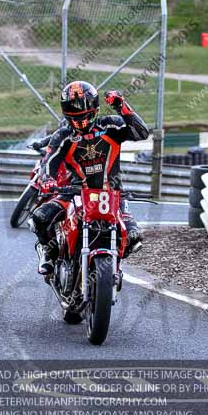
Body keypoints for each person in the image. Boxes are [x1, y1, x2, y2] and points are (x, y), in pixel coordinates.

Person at [32, 80, 150, 275]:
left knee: (133, 237)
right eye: (75, 117)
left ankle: (114, 269)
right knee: (40, 217)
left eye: (85, 116)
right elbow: (49, 161)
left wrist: (122, 106)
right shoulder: (62, 136)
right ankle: (48, 251)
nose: (81, 122)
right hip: (75, 193)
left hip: (112, 194)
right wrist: (47, 179)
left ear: (95, 109)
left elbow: (142, 132)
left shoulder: (112, 125)